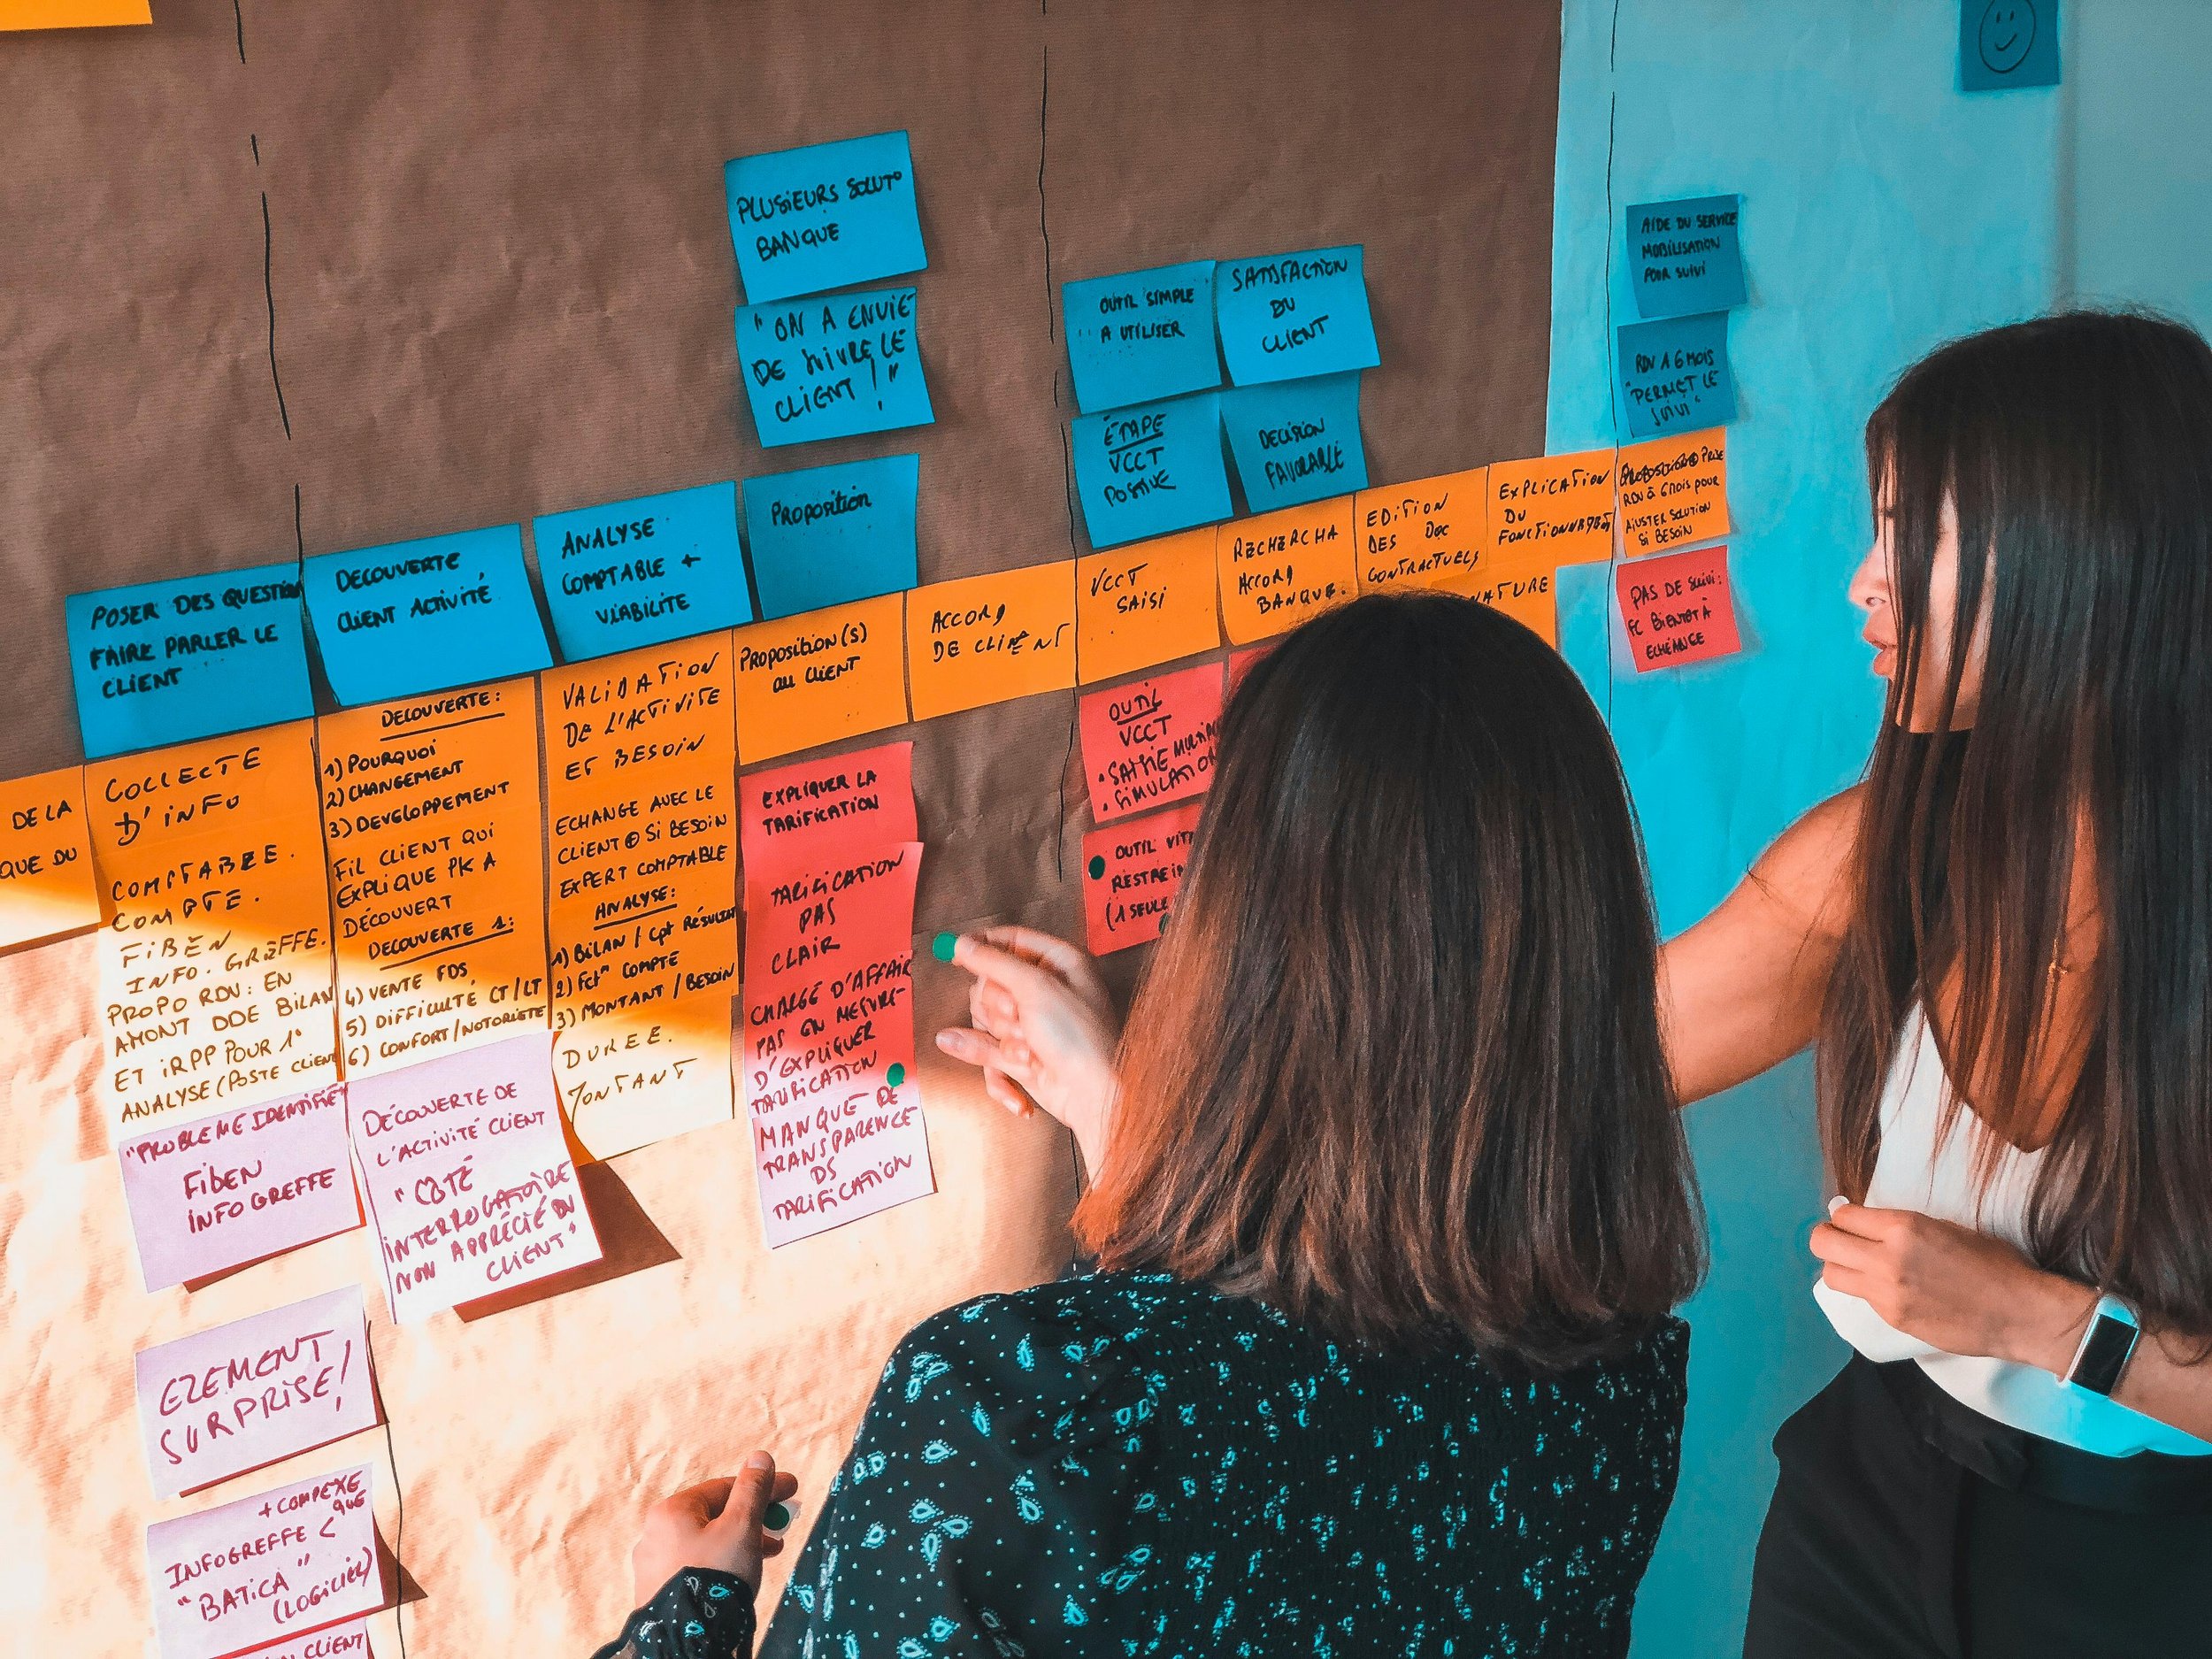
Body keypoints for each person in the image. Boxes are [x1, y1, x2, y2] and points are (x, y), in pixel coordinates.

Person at [935, 311, 2212, 1656]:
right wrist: (1115, 1088)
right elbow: (1511, 1076)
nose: (1861, 585)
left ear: (2098, 564)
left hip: (2149, 1557)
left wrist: (2044, 1319)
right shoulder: (1877, 856)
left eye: (1918, 537)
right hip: (1877, 1501)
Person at [593, 592, 1706, 1657]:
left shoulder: (1001, 1408)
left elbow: (1191, 1430)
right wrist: (1119, 1123)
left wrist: (682, 1611)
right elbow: (1301, 1418)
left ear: (1241, 939)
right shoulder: (1619, 1375)